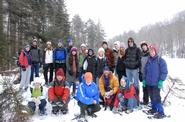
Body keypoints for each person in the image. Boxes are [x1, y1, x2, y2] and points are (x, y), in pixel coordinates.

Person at [143, 44, 168, 119]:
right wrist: (144, 79)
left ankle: (161, 112)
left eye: (153, 51)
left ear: (155, 51)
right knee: (151, 96)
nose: (151, 53)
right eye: (150, 51)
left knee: (156, 97)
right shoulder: (148, 60)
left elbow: (164, 72)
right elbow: (145, 71)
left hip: (156, 83)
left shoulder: (160, 60)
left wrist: (161, 80)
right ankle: (154, 109)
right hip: (149, 83)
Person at [140, 41, 149, 105]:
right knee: (144, 87)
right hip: (143, 73)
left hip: (149, 73)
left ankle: (152, 101)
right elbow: (140, 64)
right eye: (142, 46)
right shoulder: (141, 54)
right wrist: (140, 73)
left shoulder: (150, 53)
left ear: (146, 46)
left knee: (150, 88)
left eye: (144, 46)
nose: (143, 47)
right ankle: (145, 101)